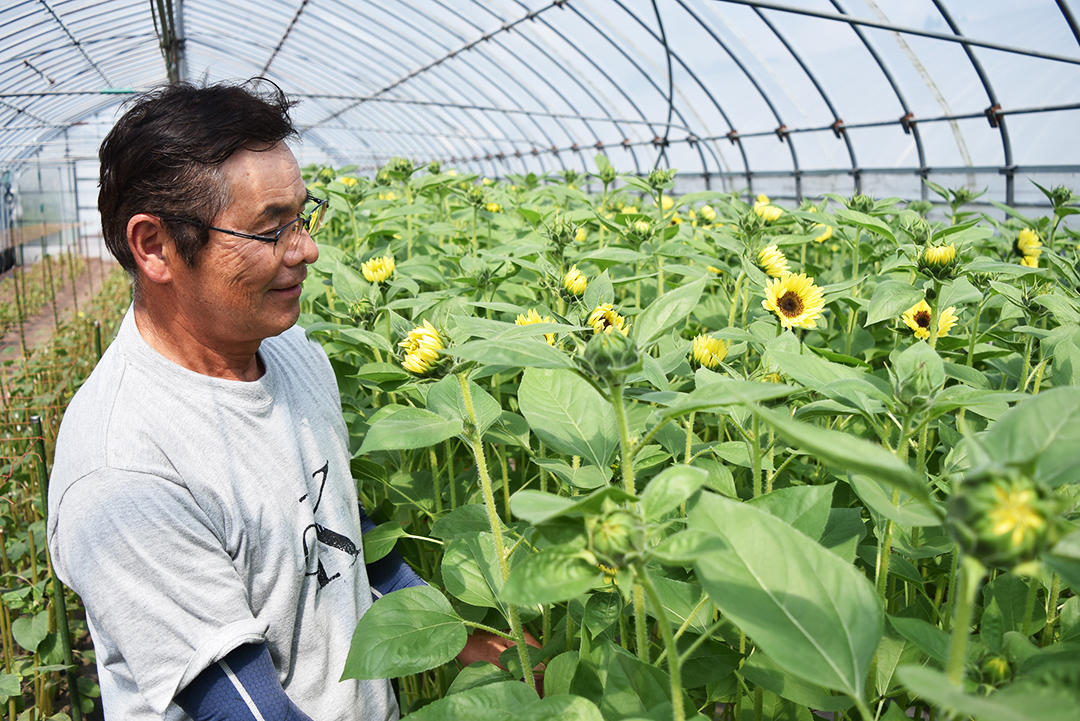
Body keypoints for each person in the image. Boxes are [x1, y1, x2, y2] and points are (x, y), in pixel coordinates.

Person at [46, 79, 510, 721]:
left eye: (302, 216)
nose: (307, 249)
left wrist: (459, 637)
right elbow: (243, 708)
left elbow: (338, 526)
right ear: (154, 246)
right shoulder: (124, 470)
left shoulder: (292, 352)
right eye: (270, 230)